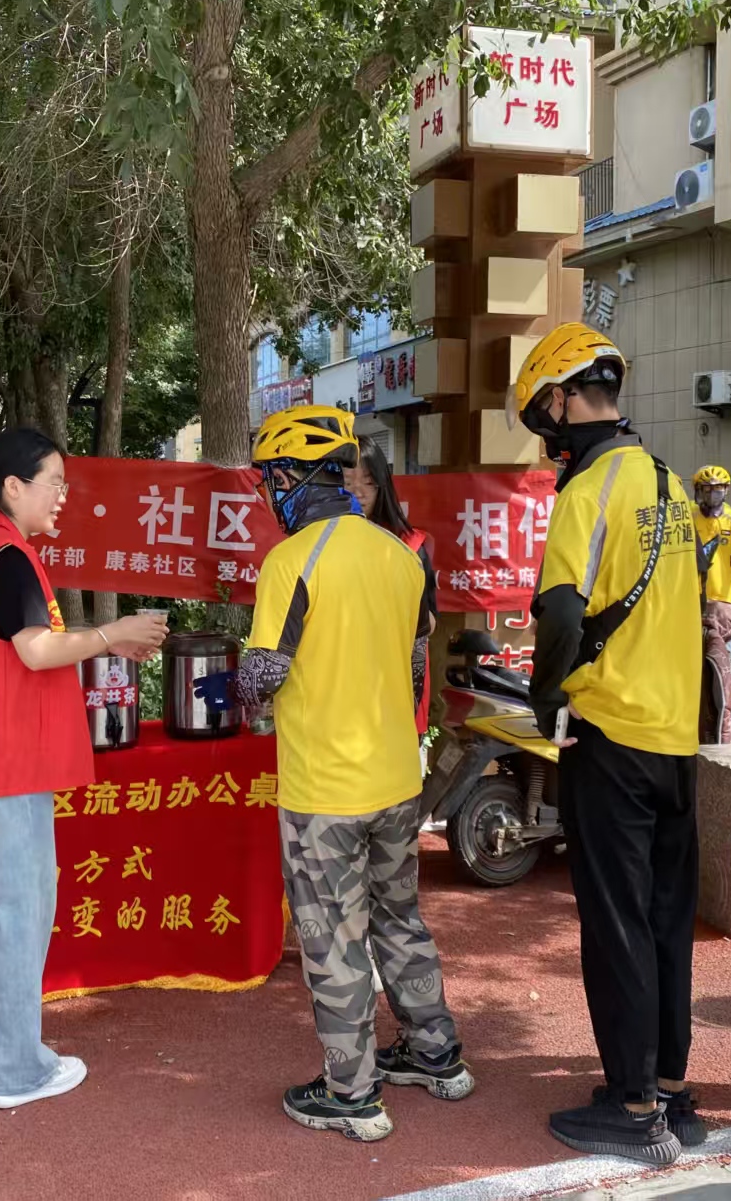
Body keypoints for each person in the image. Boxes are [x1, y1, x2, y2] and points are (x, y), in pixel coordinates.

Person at [212, 404, 469, 1143]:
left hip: (325, 788)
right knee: (400, 917)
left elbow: (266, 673)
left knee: (332, 938)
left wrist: (233, 686)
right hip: (396, 779)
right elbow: (415, 664)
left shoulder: (292, 560)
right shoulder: (398, 554)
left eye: (271, 479)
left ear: (294, 478)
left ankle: (352, 1093)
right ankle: (436, 1053)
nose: (269, 493)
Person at [0, 429, 168, 1110]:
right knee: (18, 913)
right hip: (7, 766)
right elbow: (36, 650)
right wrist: (112, 635)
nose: (63, 494)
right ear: (14, 486)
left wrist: (106, 640)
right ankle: (17, 1071)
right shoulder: (8, 556)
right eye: (54, 481)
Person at [510, 323, 703, 1166]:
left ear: (561, 400)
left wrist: (546, 691)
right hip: (675, 735)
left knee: (616, 921)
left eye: (542, 417)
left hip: (611, 731)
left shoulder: (589, 488)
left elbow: (560, 608)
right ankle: (668, 1086)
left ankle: (632, 1107)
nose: (545, 436)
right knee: (665, 918)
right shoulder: (668, 480)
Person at [346, 433, 437, 734]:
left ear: (382, 485)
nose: (359, 492)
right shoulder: (318, 547)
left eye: (368, 482)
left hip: (396, 689)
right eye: (347, 482)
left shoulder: (409, 547)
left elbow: (430, 623)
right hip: (340, 690)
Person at [691, 465, 731, 605]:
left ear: (726, 489)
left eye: (718, 487)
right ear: (699, 490)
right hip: (691, 593)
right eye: (707, 488)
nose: (712, 493)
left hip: (724, 596)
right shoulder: (688, 516)